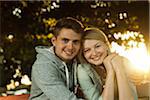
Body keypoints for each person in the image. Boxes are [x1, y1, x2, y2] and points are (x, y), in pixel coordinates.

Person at [29, 17, 85, 100]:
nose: (70, 47)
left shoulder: (76, 61)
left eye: (75, 42)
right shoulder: (43, 65)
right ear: (54, 41)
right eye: (65, 40)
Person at [77, 27, 139, 100]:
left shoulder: (122, 62)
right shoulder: (83, 70)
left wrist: (118, 69)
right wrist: (110, 71)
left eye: (97, 46)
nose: (94, 53)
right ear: (83, 54)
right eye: (87, 50)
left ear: (106, 45)